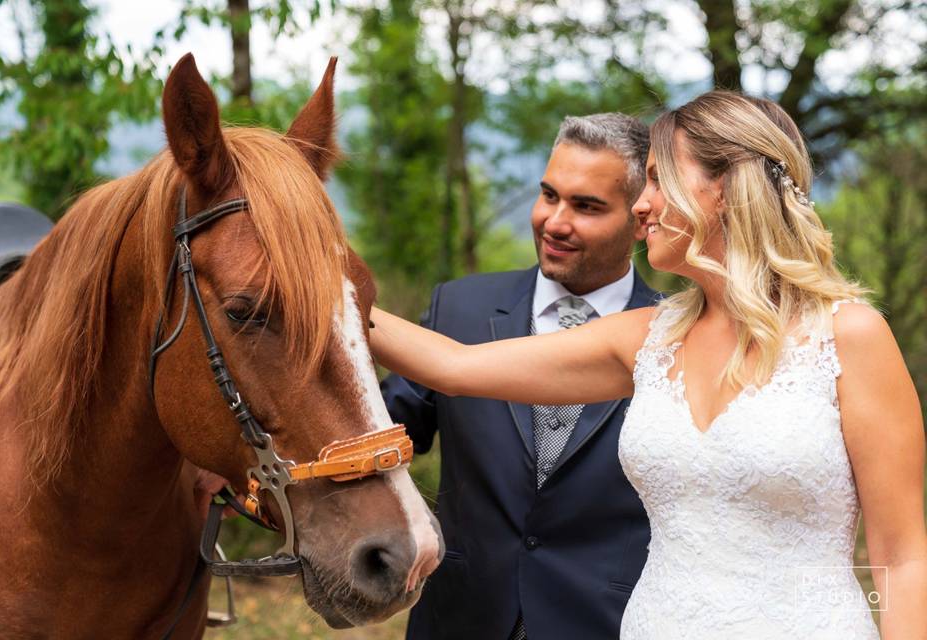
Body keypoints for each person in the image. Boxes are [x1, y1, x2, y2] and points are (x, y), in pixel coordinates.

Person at [372, 92, 927, 638]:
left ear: (728, 189)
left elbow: (904, 560)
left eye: (660, 180)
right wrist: (309, 287)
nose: (643, 204)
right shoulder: (648, 338)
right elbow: (451, 366)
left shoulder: (849, 336)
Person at [381, 113, 658, 639]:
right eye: (549, 195)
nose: (554, 221)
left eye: (587, 206)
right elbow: (383, 429)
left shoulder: (676, 336)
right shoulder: (458, 308)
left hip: (609, 625)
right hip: (461, 620)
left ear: (640, 219)